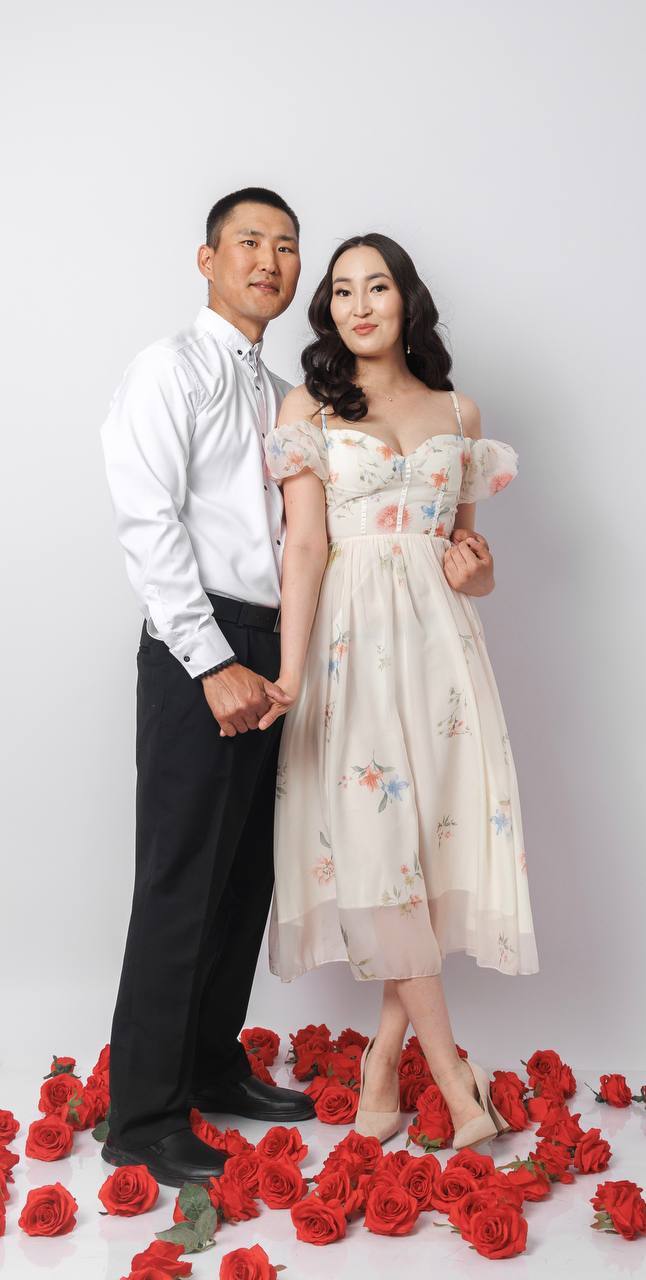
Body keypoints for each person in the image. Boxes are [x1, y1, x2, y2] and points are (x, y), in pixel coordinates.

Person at [257, 232, 540, 1150]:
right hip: (349, 647)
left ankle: (383, 1062)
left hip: (441, 651)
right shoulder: (310, 407)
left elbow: (469, 558)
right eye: (342, 291)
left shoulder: (459, 412)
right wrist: (291, 671)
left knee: (417, 850)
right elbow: (305, 546)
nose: (359, 305)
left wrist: (478, 571)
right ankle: (456, 1080)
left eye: (376, 287)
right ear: (328, 310)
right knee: (379, 848)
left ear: (405, 299)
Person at [99, 186, 315, 1189]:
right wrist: (210, 658)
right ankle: (142, 1115)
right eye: (249, 242)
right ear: (207, 259)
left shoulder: (283, 392)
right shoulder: (168, 367)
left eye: (287, 246)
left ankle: (212, 1065)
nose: (269, 260)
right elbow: (147, 520)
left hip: (271, 640)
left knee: (243, 876)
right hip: (203, 640)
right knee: (182, 875)